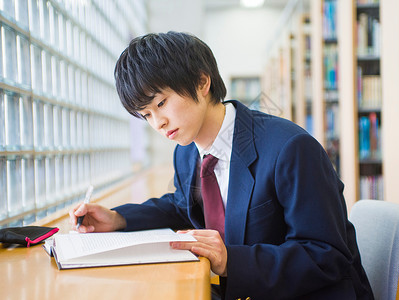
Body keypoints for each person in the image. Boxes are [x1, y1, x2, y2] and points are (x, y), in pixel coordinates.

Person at [69, 31, 374, 300]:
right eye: (146, 115)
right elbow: (182, 207)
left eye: (161, 104)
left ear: (202, 82)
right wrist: (118, 219)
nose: (158, 123)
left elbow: (326, 256)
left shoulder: (290, 148)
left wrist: (230, 260)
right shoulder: (187, 151)